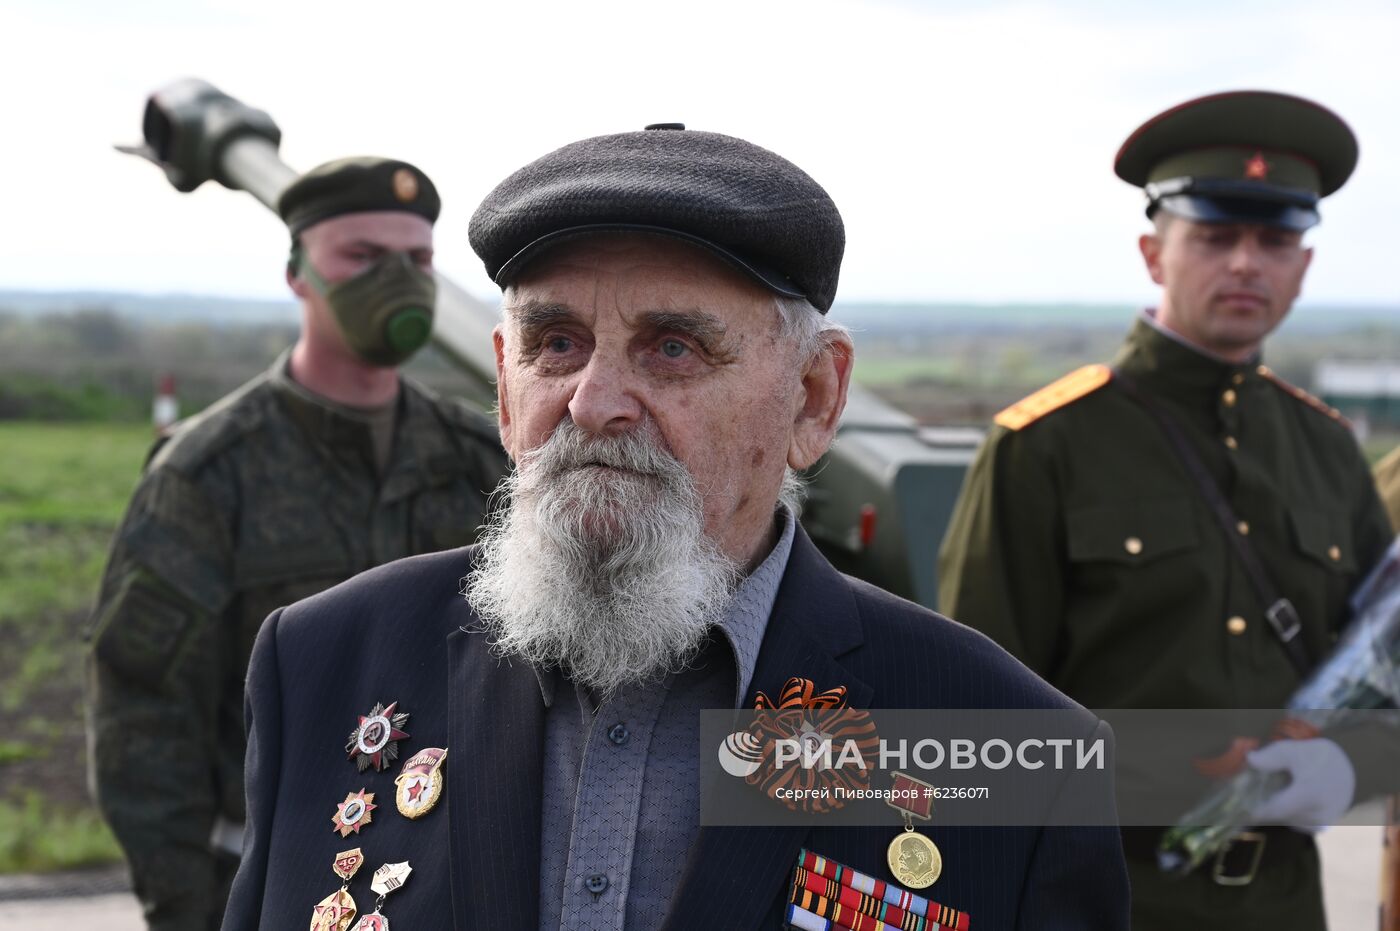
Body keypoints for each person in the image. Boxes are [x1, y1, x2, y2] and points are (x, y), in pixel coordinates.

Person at [223, 125, 1129, 930]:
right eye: (557, 343)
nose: (593, 402)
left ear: (813, 398)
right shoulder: (324, 665)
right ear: (505, 384)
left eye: (672, 347)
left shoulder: (1011, 751)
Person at [938, 90, 1394, 930]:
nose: (1248, 264)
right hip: (1103, 900)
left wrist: (1346, 767)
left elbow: (1385, 681)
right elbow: (972, 733)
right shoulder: (1043, 446)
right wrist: (1184, 773)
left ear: (1305, 267)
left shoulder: (1328, 449)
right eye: (1217, 237)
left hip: (1290, 905)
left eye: (1277, 241)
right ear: (1155, 253)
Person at [84, 156, 508, 931]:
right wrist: (194, 910)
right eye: (362, 257)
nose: (396, 279)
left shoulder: (478, 459)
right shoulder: (211, 473)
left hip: (449, 880)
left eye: (415, 260)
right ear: (299, 273)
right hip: (267, 878)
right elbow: (142, 716)